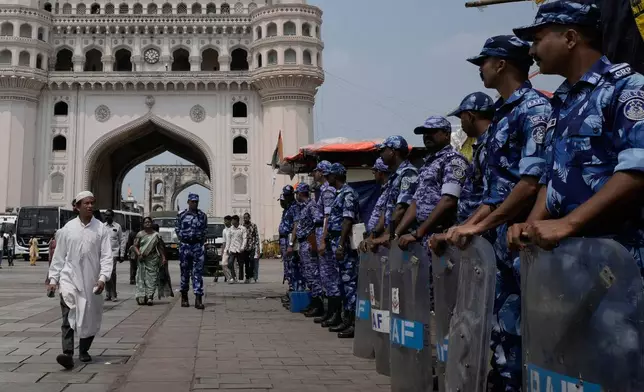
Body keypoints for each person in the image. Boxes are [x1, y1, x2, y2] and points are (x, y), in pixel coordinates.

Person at [436, 35, 553, 392]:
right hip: (499, 243)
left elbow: (529, 184)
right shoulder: (504, 117)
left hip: (523, 240)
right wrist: (468, 227)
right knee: (502, 328)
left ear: (501, 64)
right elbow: (494, 193)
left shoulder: (533, 109)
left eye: (484, 62)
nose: (481, 69)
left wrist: (480, 225)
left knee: (531, 333)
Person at [508, 2, 644, 274]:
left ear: (570, 38)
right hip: (569, 260)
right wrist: (531, 223)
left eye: (537, 39)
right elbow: (553, 175)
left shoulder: (627, 87)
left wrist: (568, 223)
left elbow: (637, 169)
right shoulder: (561, 102)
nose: (532, 51)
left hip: (619, 260)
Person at [393, 116, 470, 315]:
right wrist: (398, 234)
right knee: (425, 300)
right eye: (424, 133)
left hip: (442, 239)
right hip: (423, 239)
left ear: (446, 134)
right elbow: (415, 204)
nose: (427, 137)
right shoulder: (427, 165)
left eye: (432, 132)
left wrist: (418, 233)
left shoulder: (454, 161)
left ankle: (446, 344)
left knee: (446, 300)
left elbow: (448, 201)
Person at [47, 191, 113, 370]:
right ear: (77, 206)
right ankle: (67, 353)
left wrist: (102, 278)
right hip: (69, 278)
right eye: (86, 203)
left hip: (91, 281)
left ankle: (84, 350)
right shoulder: (67, 229)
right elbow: (59, 256)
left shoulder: (101, 229)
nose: (90, 206)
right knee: (68, 315)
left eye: (92, 203)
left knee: (89, 317)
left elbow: (107, 256)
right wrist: (53, 279)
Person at [324, 163, 360, 338]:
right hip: (336, 241)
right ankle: (346, 319)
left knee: (349, 283)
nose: (326, 178)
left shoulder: (347, 194)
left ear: (336, 176)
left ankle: (354, 322)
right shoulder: (340, 194)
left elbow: (347, 220)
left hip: (343, 243)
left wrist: (340, 244)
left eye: (329, 175)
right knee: (342, 283)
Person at [369, 136, 418, 249]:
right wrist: (373, 235)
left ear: (393, 151)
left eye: (383, 150)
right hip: (392, 239)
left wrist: (388, 234)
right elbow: (386, 211)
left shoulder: (409, 173)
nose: (380, 154)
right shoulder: (394, 177)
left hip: (403, 239)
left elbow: (402, 208)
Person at [291, 183, 325, 317]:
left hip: (309, 243)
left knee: (313, 274)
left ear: (300, 193)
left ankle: (318, 305)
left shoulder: (312, 206)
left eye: (297, 194)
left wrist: (314, 242)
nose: (296, 197)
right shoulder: (304, 207)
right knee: (308, 275)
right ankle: (313, 302)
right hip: (303, 243)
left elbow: (318, 223)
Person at [310, 161, 337, 324]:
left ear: (322, 172)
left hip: (325, 234)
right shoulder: (323, 190)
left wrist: (322, 240)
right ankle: (331, 312)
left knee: (329, 275)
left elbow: (327, 216)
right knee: (326, 275)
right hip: (322, 233)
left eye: (316, 171)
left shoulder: (327, 190)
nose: (314, 174)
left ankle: (334, 313)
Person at [175, 193, 208, 310]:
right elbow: (177, 229)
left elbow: (204, 230)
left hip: (197, 246)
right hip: (185, 246)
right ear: (188, 202)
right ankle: (184, 297)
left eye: (196, 202)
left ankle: (198, 299)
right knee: (184, 272)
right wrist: (184, 238)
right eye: (192, 201)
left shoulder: (202, 216)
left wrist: (199, 240)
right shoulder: (181, 215)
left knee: (198, 273)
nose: (194, 203)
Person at [133, 217, 166, 306]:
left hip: (153, 259)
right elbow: (135, 246)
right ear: (143, 224)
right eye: (146, 222)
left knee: (152, 278)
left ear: (152, 223)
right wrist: (139, 254)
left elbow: (160, 247)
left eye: (149, 222)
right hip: (142, 259)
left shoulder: (156, 235)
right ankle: (141, 296)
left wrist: (163, 258)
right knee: (141, 277)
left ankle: (150, 297)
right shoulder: (140, 234)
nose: (147, 223)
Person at [278, 185, 302, 306]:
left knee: (293, 267)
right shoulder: (288, 208)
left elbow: (296, 226)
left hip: (289, 241)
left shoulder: (295, 207)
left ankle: (296, 294)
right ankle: (292, 293)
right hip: (284, 240)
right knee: (288, 269)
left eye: (286, 196)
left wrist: (291, 244)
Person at [364, 158, 390, 240]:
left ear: (380, 172)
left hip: (380, 237)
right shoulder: (383, 190)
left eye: (375, 170)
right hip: (374, 236)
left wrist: (373, 234)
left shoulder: (390, 190)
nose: (373, 173)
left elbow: (385, 215)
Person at [103, 209, 125, 302]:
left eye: (109, 215)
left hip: (113, 253)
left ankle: (113, 294)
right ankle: (108, 293)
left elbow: (122, 240)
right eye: (106, 215)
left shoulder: (117, 226)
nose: (107, 217)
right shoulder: (102, 227)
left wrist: (122, 254)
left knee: (112, 273)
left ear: (112, 216)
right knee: (105, 274)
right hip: (104, 254)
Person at [224, 215, 246, 284]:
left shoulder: (242, 228)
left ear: (236, 221)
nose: (232, 221)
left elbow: (245, 239)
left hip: (240, 249)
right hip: (232, 249)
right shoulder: (230, 229)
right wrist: (227, 249)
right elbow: (228, 240)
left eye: (233, 220)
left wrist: (243, 247)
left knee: (240, 264)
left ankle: (241, 278)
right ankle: (233, 277)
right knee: (230, 263)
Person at [242, 213, 259, 283]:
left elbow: (257, 236)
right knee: (246, 262)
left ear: (249, 218)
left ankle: (251, 276)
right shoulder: (242, 226)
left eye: (246, 217)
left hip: (252, 246)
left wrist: (258, 246)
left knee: (252, 261)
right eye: (244, 218)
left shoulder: (253, 225)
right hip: (245, 247)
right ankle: (247, 277)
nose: (245, 219)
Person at [220, 216, 233, 282]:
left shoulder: (233, 229)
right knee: (223, 264)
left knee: (231, 264)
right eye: (224, 221)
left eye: (226, 221)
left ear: (230, 221)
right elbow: (224, 242)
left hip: (232, 250)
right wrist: (222, 252)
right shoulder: (224, 230)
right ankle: (229, 277)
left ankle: (233, 278)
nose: (224, 222)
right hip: (226, 250)